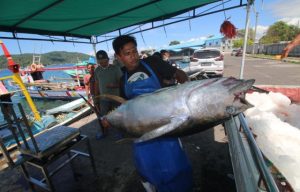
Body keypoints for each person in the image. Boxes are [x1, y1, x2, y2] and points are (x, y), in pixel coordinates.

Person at [112, 35, 192, 192]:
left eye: (134, 51)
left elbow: (180, 75)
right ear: (119, 56)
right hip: (141, 132)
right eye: (127, 53)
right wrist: (110, 119)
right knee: (147, 166)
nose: (133, 56)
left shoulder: (152, 63)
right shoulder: (123, 80)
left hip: (165, 125)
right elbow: (123, 108)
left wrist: (185, 90)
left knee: (175, 165)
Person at [94, 50, 123, 139]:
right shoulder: (97, 70)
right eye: (100, 61)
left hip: (116, 98)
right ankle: (104, 132)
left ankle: (120, 132)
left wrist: (114, 85)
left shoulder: (115, 68)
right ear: (98, 61)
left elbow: (122, 83)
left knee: (117, 116)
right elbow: (97, 84)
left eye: (104, 61)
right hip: (103, 99)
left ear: (108, 59)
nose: (102, 63)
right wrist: (96, 98)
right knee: (103, 117)